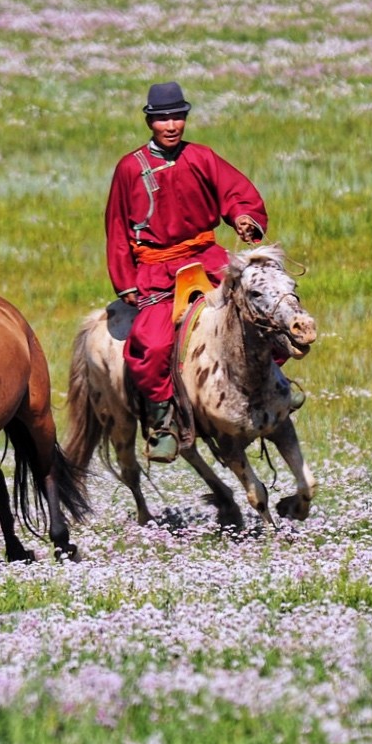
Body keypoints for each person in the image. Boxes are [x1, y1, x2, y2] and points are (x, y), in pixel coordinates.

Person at [105, 81, 268, 460]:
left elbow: (235, 193)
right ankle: (162, 422)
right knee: (152, 344)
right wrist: (125, 281)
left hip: (206, 256)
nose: (171, 125)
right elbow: (116, 225)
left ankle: (273, 385)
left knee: (263, 306)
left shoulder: (201, 157)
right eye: (163, 119)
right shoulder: (130, 168)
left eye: (178, 117)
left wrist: (244, 217)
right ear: (150, 122)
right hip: (157, 268)